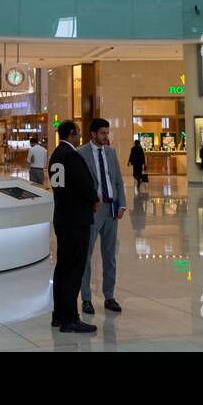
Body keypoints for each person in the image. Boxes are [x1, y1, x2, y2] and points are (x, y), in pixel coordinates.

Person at [49, 120, 99, 333]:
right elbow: (85, 185)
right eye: (77, 132)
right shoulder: (72, 156)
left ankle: (58, 314)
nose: (79, 135)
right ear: (71, 133)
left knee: (62, 266)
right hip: (76, 220)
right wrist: (93, 200)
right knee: (74, 269)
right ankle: (70, 318)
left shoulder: (56, 156)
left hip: (61, 217)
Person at [79, 118, 126, 316]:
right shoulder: (81, 153)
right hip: (92, 210)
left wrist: (121, 203)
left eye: (107, 133)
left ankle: (109, 296)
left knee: (110, 255)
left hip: (111, 208)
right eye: (103, 133)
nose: (106, 137)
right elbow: (81, 183)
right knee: (86, 255)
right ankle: (87, 298)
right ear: (93, 134)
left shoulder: (111, 152)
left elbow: (117, 180)